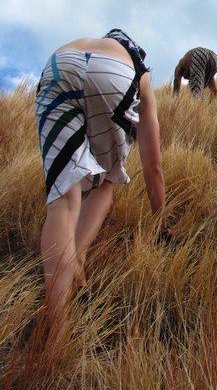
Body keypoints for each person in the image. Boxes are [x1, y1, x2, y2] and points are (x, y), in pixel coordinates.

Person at [35, 29, 169, 348]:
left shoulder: (82, 41)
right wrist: (160, 218)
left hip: (58, 65)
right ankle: (76, 261)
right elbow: (153, 167)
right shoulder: (139, 70)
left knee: (63, 203)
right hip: (114, 74)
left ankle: (56, 330)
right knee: (107, 180)